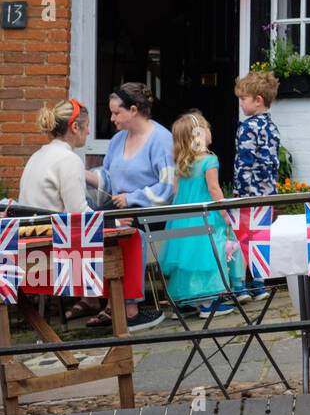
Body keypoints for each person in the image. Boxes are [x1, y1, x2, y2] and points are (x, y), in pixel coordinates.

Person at [84, 83, 173, 331]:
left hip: (150, 213)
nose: (111, 118)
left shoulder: (161, 140)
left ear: (133, 110)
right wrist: (81, 174)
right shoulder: (117, 140)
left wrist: (133, 198)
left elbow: (168, 187)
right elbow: (109, 179)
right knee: (90, 223)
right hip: (120, 209)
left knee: (123, 230)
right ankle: (103, 300)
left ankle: (129, 309)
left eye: (116, 113)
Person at [158, 111, 242, 318]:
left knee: (185, 260)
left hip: (182, 219)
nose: (210, 130)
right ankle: (209, 302)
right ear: (199, 134)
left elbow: (176, 192)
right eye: (207, 127)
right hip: (206, 217)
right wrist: (224, 214)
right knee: (209, 257)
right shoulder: (209, 161)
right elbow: (214, 190)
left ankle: (184, 303)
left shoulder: (181, 164)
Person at [19, 100, 94, 322]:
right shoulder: (68, 159)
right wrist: (116, 223)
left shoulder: (38, 155)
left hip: (29, 243)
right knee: (127, 239)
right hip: (51, 249)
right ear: (75, 127)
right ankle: (124, 313)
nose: (89, 131)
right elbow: (77, 212)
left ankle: (93, 302)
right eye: (87, 125)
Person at [233, 70, 281, 301]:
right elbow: (274, 163)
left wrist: (238, 192)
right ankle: (260, 284)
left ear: (258, 100)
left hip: (248, 195)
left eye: (243, 99)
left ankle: (240, 284)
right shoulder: (272, 127)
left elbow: (244, 163)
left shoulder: (247, 128)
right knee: (261, 237)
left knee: (242, 237)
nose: (241, 103)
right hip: (267, 194)